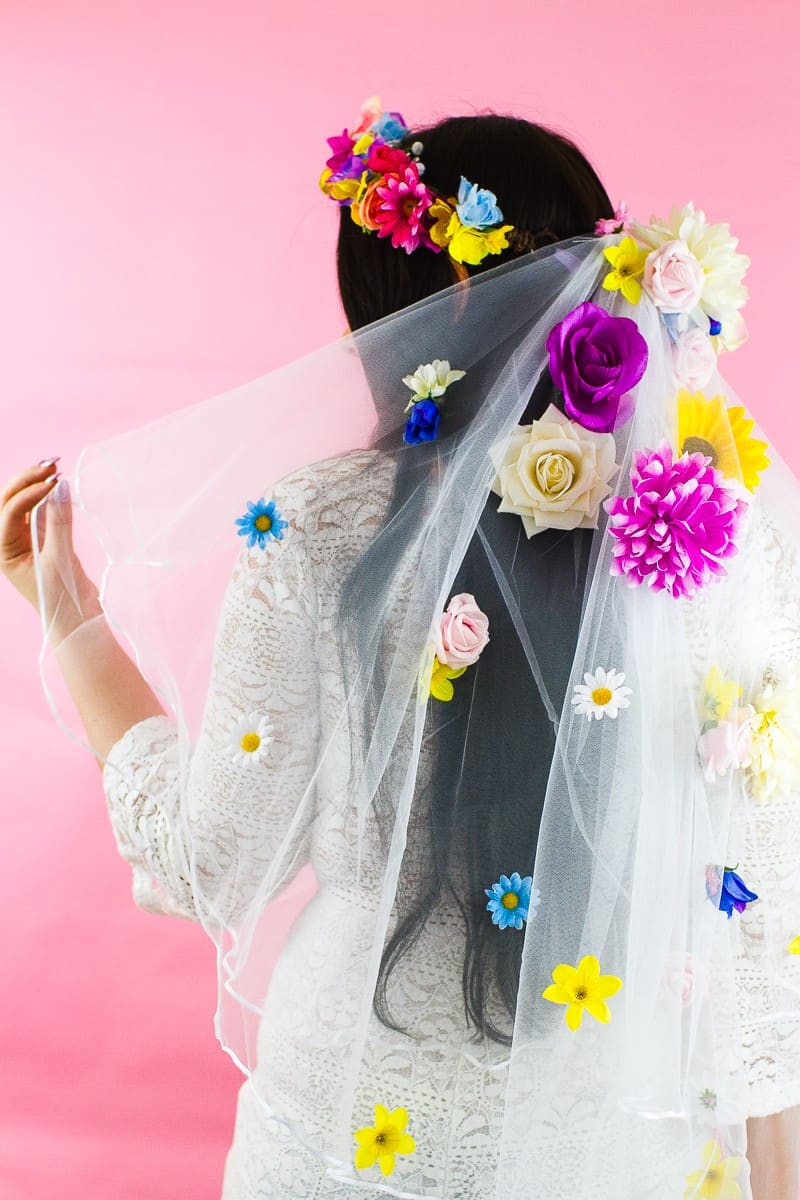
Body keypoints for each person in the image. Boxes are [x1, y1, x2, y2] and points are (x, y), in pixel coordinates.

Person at [3, 106, 800, 1199]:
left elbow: (211, 860)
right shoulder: (714, 535)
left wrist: (70, 616)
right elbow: (762, 896)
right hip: (616, 1134)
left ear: (443, 303)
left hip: (348, 1127)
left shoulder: (320, 526)